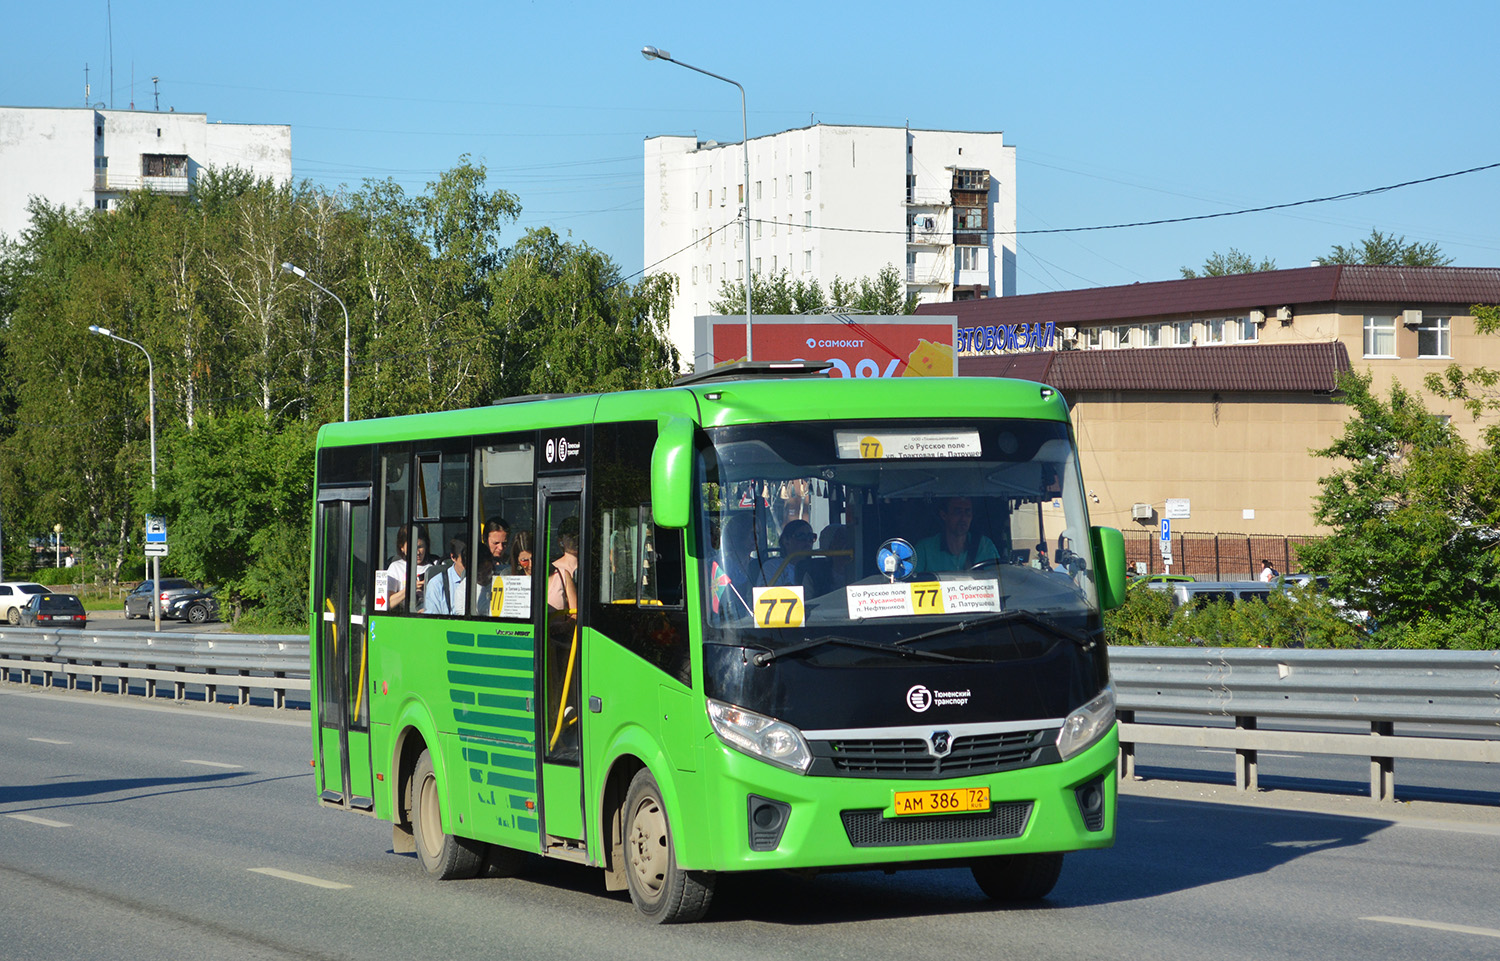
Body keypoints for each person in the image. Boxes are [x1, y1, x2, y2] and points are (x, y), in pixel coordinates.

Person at [913, 496, 1000, 572]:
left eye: (967, 512)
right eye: (958, 512)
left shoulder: (985, 546)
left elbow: (999, 579)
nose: (963, 518)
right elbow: (911, 583)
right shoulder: (924, 549)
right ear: (944, 515)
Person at [386, 524, 430, 612]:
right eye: (412, 547)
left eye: (420, 547)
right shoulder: (396, 567)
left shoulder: (434, 566)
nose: (417, 552)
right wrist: (410, 589)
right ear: (402, 547)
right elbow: (388, 603)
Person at [803, 522, 855, 596]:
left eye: (849, 538)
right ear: (829, 546)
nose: (847, 543)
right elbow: (807, 602)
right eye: (841, 539)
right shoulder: (814, 573)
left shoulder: (860, 569)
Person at [423, 537, 469, 616]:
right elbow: (432, 621)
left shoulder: (481, 579)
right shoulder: (436, 584)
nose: (469, 566)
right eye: (464, 562)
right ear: (453, 557)